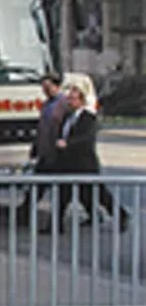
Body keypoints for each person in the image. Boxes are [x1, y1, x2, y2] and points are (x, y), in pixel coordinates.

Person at [51, 84, 130, 232]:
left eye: (73, 99)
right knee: (64, 194)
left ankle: (121, 215)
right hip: (68, 163)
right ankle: (57, 225)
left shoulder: (88, 118)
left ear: (81, 101)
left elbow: (86, 138)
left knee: (98, 194)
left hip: (84, 163)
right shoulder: (67, 117)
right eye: (68, 99)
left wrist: (68, 143)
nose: (69, 102)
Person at [16, 72, 67, 221]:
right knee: (38, 184)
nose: (45, 90)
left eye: (48, 87)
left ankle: (52, 219)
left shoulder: (63, 104)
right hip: (45, 152)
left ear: (57, 86)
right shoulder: (46, 104)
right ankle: (25, 212)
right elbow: (41, 128)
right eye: (43, 87)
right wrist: (35, 148)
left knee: (65, 189)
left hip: (57, 153)